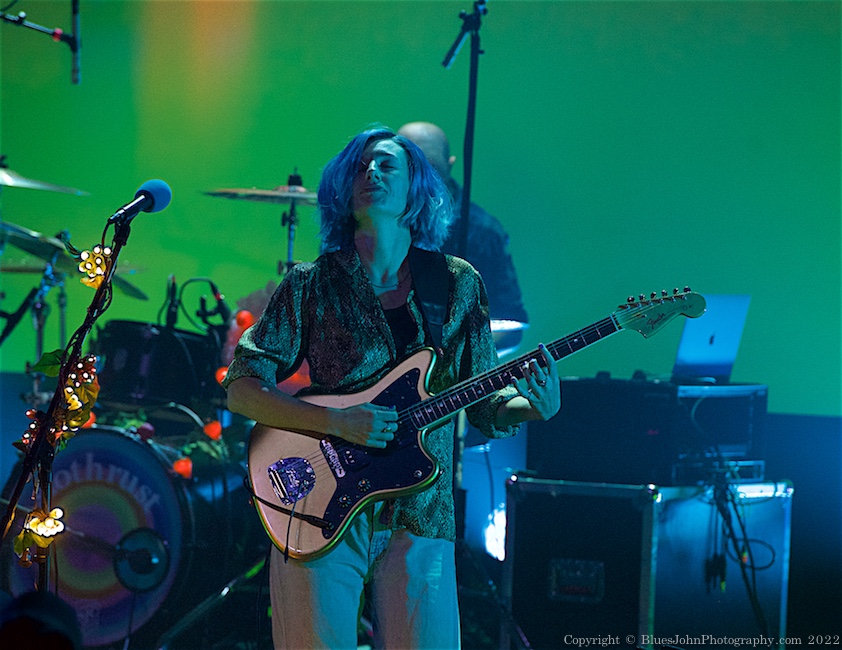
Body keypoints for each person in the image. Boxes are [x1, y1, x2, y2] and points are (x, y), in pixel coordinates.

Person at [223, 125, 560, 649]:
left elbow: (487, 403)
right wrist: (335, 422)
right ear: (342, 188)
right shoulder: (309, 283)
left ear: (417, 188)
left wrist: (529, 408)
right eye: (360, 166)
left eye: (386, 165)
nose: (371, 173)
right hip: (317, 500)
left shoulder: (456, 284)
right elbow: (242, 389)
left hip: (422, 512)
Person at [397, 121, 529, 354]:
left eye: (431, 167)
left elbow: (510, 326)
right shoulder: (376, 221)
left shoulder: (483, 231)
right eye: (412, 168)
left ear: (450, 164)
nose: (422, 178)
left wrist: (458, 364)